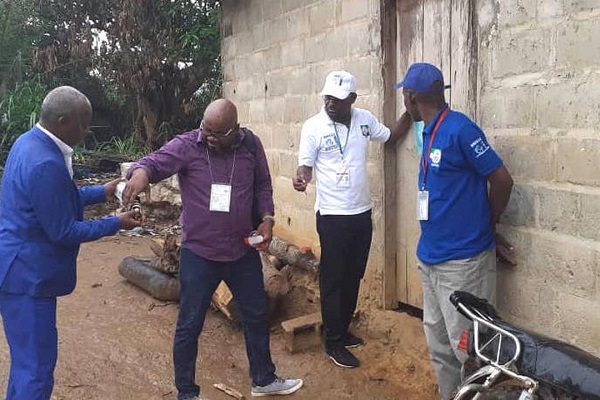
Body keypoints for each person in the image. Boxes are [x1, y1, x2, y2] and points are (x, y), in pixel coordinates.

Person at [122, 99, 303, 399]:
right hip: (199, 254)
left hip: (241, 251)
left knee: (256, 314)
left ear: (236, 130)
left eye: (218, 133)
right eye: (206, 129)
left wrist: (267, 219)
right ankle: (187, 393)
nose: (208, 136)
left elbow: (262, 185)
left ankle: (263, 379)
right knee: (189, 324)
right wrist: (140, 172)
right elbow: (154, 162)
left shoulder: (250, 146)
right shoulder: (188, 145)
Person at [0, 86, 141, 399]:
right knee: (36, 372)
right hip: (27, 277)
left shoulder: (29, 143)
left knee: (25, 366)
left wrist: (103, 191)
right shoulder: (45, 163)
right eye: (84, 123)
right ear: (63, 121)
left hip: (15, 268)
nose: (87, 131)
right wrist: (115, 223)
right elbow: (63, 230)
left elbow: (56, 200)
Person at [395, 63, 515, 399]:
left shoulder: (461, 129)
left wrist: (489, 225)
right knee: (441, 346)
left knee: (473, 350)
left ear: (412, 97)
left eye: (405, 93)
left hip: (462, 264)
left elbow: (502, 180)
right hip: (430, 258)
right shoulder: (429, 130)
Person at [292, 71, 412, 369]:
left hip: (361, 213)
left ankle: (342, 330)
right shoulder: (314, 127)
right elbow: (305, 167)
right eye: (327, 97)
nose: (331, 103)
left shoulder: (365, 120)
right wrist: (301, 179)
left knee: (353, 275)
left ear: (352, 100)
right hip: (332, 216)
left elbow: (391, 137)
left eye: (337, 99)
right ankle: (332, 342)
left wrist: (410, 113)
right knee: (333, 278)